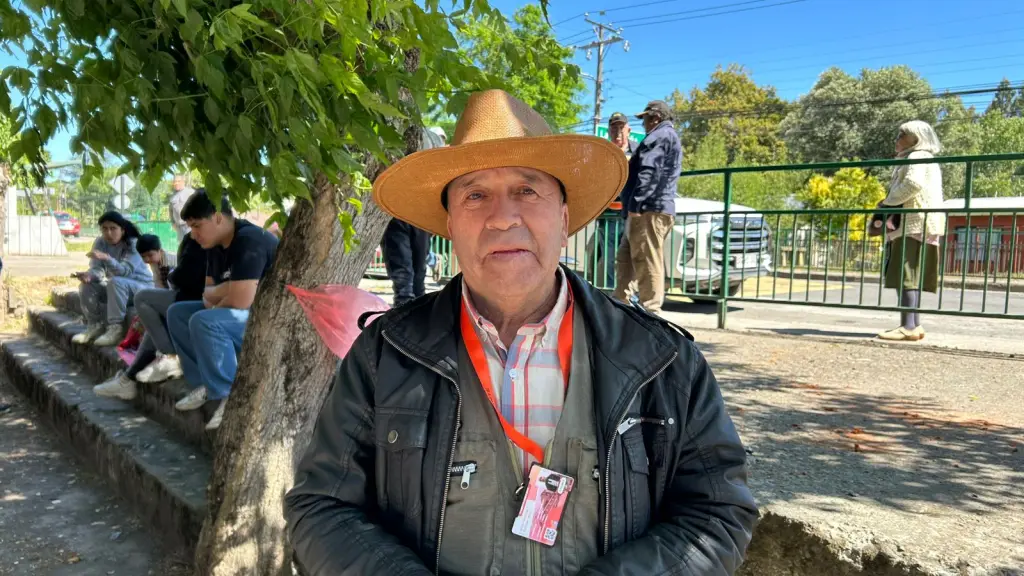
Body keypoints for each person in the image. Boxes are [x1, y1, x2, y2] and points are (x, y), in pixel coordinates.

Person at [285, 90, 756, 575]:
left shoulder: (661, 359)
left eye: (528, 190)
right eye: (475, 195)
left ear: (565, 219)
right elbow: (320, 507)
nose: (503, 216)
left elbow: (718, 513)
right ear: (450, 224)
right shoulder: (384, 354)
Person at [166, 190, 279, 430]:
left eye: (197, 226)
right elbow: (208, 293)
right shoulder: (214, 245)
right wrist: (229, 289)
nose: (193, 235)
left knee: (204, 321)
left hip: (271, 319)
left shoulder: (249, 240)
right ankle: (203, 384)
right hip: (242, 312)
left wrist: (224, 292)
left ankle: (228, 395)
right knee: (178, 313)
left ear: (217, 217)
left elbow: (240, 301)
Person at [92, 232, 207, 399]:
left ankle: (167, 356)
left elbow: (179, 286)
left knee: (144, 301)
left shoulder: (176, 259)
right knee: (152, 320)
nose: (147, 260)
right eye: (143, 257)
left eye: (150, 255)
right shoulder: (158, 264)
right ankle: (128, 379)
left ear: (159, 250)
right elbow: (162, 289)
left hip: (189, 304)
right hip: (180, 302)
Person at [878, 120, 945, 342]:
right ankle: (913, 325)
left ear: (915, 138)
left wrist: (888, 202)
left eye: (901, 135)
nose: (897, 139)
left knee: (905, 274)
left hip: (913, 223)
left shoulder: (916, 156)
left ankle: (907, 326)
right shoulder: (927, 159)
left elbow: (912, 184)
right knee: (911, 276)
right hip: (923, 223)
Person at [613, 100, 682, 315]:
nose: (643, 124)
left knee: (646, 261)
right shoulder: (664, 136)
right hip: (646, 209)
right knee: (626, 260)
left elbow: (650, 170)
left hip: (648, 210)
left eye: (644, 119)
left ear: (655, 117)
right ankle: (620, 306)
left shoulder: (659, 137)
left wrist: (637, 204)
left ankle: (652, 313)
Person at [380, 128, 445, 307]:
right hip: (410, 213)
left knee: (409, 277)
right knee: (412, 277)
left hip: (403, 211)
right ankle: (412, 320)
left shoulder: (410, 135)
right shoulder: (430, 143)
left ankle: (411, 319)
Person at [71, 212, 154, 347]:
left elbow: (124, 271)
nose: (109, 233)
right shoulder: (100, 242)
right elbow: (97, 270)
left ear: (122, 229)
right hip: (118, 290)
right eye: (104, 228)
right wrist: (89, 276)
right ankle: (94, 325)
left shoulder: (133, 243)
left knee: (116, 281)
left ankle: (115, 329)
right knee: (86, 286)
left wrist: (107, 258)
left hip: (141, 288)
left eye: (113, 228)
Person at [593, 112, 639, 290]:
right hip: (609, 214)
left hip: (631, 213)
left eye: (621, 127)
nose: (618, 132)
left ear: (629, 130)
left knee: (632, 256)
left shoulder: (637, 151)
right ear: (609, 131)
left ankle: (629, 295)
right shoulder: (603, 152)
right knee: (610, 256)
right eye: (614, 128)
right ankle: (612, 294)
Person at [168, 174, 194, 244]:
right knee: (182, 248)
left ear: (183, 182)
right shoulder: (172, 196)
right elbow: (170, 211)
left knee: (192, 246)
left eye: (178, 181)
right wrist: (173, 222)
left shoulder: (191, 192)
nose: (176, 183)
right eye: (175, 181)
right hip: (179, 228)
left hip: (190, 226)